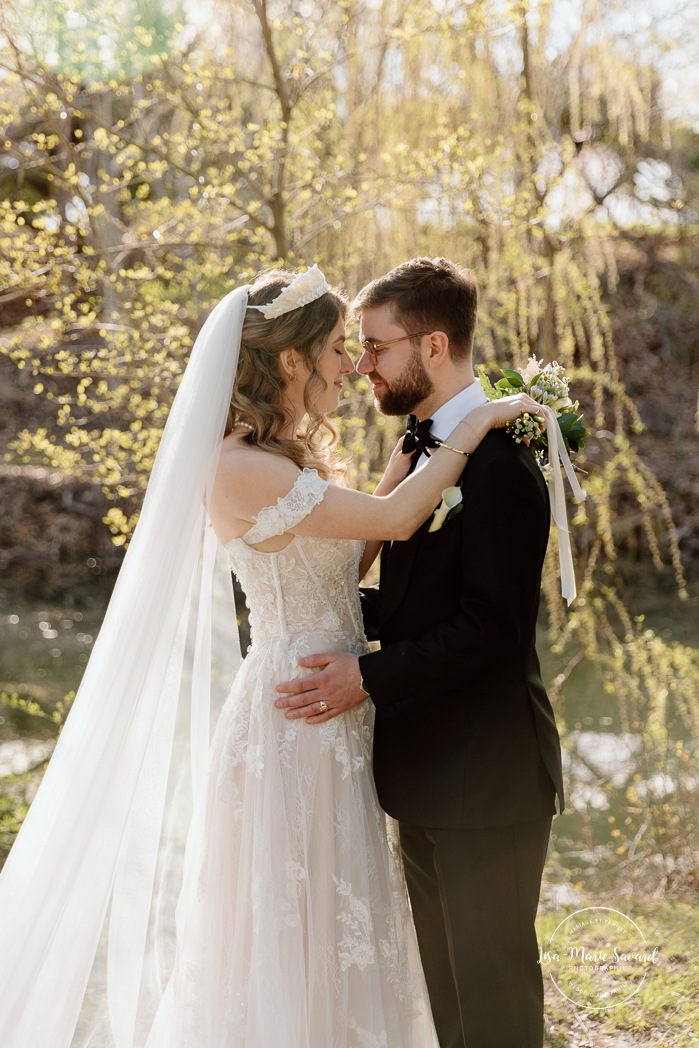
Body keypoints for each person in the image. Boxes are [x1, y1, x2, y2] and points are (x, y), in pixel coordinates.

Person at [0, 264, 542, 1048]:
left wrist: (410, 451)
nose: (348, 365)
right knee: (291, 927)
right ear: (288, 360)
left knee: (346, 918)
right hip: (296, 715)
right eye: (334, 347)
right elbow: (392, 524)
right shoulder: (237, 465)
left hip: (341, 710)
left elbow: (348, 555)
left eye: (359, 347)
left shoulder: (286, 457)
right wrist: (470, 425)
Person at [275, 257, 566, 1048]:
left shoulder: (501, 465)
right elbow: (411, 606)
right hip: (421, 773)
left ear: (432, 346)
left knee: (493, 994)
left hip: (488, 776)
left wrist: (364, 676)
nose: (360, 364)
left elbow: (490, 628)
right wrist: (301, 619)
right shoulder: (425, 452)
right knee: (445, 999)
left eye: (375, 347)